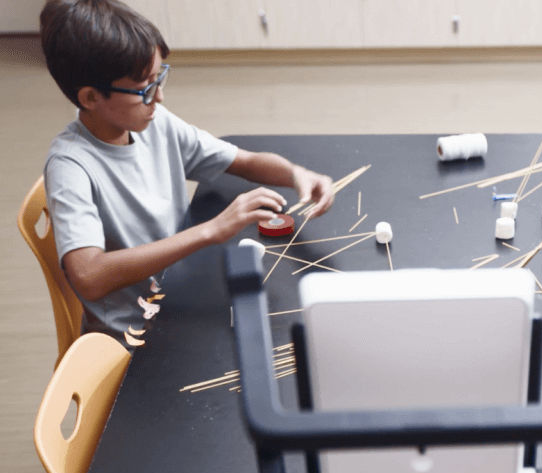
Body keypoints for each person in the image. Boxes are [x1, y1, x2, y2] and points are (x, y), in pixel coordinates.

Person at [39, 0, 336, 343]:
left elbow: (242, 160)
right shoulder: (70, 166)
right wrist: (212, 229)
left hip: (178, 292)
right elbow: (89, 275)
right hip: (137, 335)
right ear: (91, 97)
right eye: (145, 89)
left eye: (159, 77)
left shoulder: (153, 121)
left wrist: (295, 174)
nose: (160, 97)